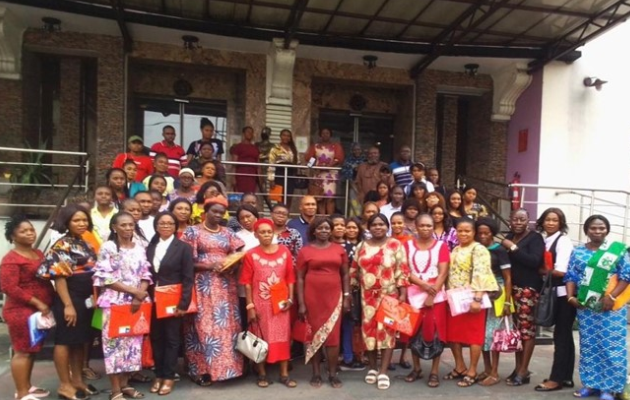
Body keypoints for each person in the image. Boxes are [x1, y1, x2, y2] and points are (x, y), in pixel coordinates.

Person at [36, 204, 99, 400]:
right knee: (64, 341)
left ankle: (77, 380)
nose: (82, 223)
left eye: (84, 219)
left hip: (86, 298)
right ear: (67, 222)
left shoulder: (84, 242)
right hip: (70, 298)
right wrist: (68, 305)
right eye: (76, 220)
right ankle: (65, 385)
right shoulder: (62, 245)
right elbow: (59, 277)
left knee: (79, 341)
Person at [181, 196, 245, 386]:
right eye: (214, 211)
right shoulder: (193, 231)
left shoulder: (227, 232)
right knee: (203, 327)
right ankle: (200, 371)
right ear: (205, 211)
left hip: (226, 287)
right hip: (203, 285)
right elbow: (186, 262)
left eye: (221, 212)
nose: (218, 215)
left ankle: (229, 369)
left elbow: (240, 252)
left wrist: (232, 264)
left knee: (227, 327)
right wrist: (210, 265)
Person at [565, 215, 630, 400]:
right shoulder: (578, 252)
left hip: (611, 307)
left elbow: (627, 275)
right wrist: (570, 297)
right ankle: (591, 384)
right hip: (586, 308)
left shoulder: (617, 251)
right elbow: (570, 276)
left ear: (607, 230)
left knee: (611, 346)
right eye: (593, 228)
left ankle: (610, 388)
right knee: (589, 346)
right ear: (586, 230)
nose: (598, 231)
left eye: (601, 228)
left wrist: (611, 296)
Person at [93, 212, 152, 400]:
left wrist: (140, 294)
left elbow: (146, 273)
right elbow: (105, 278)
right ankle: (115, 390)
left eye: (131, 225)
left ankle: (126, 385)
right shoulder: (109, 247)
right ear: (114, 227)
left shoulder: (140, 247)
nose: (128, 228)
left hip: (137, 303)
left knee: (133, 346)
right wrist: (133, 292)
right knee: (113, 346)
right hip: (114, 302)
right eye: (124, 225)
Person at [351, 213, 409, 390]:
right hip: (366, 297)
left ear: (387, 226)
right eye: (374, 224)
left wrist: (402, 293)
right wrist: (349, 293)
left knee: (387, 333)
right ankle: (372, 368)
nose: (378, 227)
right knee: (368, 332)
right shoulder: (361, 246)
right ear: (368, 227)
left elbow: (402, 270)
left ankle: (383, 372)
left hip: (389, 295)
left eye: (382, 224)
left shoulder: (395, 245)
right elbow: (354, 270)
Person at [1, 215, 55, 400]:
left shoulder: (38, 253)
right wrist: (37, 301)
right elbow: (9, 287)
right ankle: (21, 393)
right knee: (22, 351)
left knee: (32, 350)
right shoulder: (11, 259)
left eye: (31, 229)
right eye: (23, 231)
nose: (30, 233)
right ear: (13, 236)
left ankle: (27, 386)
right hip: (20, 311)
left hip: (38, 312)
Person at [240, 219, 297, 388]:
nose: (266, 235)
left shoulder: (285, 252)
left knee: (283, 336)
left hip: (280, 303)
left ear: (273, 233)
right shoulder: (251, 254)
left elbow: (290, 278)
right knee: (261, 337)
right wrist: (250, 306)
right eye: (262, 232)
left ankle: (284, 374)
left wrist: (290, 299)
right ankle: (262, 374)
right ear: (256, 235)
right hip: (260, 303)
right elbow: (247, 282)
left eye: (269, 232)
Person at [443, 218, 498, 388]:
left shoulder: (479, 249)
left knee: (474, 336)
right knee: (454, 334)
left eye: (467, 230)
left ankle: (472, 370)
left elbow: (482, 273)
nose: (463, 233)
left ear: (473, 232)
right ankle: (460, 366)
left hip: (473, 299)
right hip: (455, 298)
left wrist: (478, 298)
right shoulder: (456, 248)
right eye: (460, 230)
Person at [297, 217, 351, 389]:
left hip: (334, 296)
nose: (324, 231)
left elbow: (345, 274)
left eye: (327, 228)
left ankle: (333, 373)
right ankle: (316, 373)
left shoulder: (339, 249)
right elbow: (299, 278)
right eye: (320, 228)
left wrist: (347, 295)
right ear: (313, 231)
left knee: (333, 336)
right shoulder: (305, 251)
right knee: (314, 335)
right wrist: (301, 303)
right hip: (312, 297)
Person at [146, 211, 195, 396]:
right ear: (156, 226)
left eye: (170, 223)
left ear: (175, 226)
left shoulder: (183, 247)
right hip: (153, 299)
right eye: (162, 223)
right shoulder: (150, 247)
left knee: (172, 339)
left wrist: (183, 304)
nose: (166, 226)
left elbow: (188, 278)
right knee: (156, 338)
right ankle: (158, 374)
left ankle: (168, 376)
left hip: (173, 301)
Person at [403, 214, 449, 388]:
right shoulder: (407, 246)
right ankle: (416, 368)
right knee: (413, 332)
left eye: (429, 226)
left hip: (435, 297)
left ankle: (435, 371)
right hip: (414, 294)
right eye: (422, 225)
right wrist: (423, 284)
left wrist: (432, 294)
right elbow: (404, 270)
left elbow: (443, 272)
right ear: (416, 226)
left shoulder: (441, 246)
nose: (425, 229)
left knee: (435, 333)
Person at [499, 208, 544, 386]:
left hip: (528, 290)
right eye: (515, 219)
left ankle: (524, 370)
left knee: (527, 331)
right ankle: (518, 369)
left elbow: (534, 261)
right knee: (517, 331)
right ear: (510, 220)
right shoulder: (510, 235)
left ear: (528, 221)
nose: (518, 223)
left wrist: (513, 247)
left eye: (522, 220)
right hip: (512, 289)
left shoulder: (535, 238)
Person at [534, 207, 576, 392]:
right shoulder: (545, 239)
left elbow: (561, 271)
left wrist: (539, 271)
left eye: (555, 220)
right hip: (556, 292)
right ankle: (566, 376)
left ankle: (555, 379)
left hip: (563, 295)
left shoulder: (563, 241)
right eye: (547, 219)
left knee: (561, 336)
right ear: (542, 222)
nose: (550, 223)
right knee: (565, 336)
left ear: (561, 223)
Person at [475, 217, 512, 387]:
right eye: (480, 232)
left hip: (498, 294)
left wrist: (507, 302)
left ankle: (495, 372)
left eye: (486, 232)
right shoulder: (476, 249)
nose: (483, 235)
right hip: (480, 294)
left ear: (492, 233)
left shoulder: (499, 250)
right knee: (481, 335)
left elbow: (508, 277)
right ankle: (487, 369)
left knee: (493, 335)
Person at [304, 127, 345, 215]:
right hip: (319, 175)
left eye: (327, 133)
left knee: (330, 197)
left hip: (331, 175)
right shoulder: (315, 146)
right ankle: (322, 217)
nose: (325, 135)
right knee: (320, 198)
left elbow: (339, 158)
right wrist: (313, 166)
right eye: (323, 133)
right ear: (320, 135)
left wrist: (328, 166)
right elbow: (309, 159)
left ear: (330, 135)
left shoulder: (335, 146)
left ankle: (330, 217)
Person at [268, 129, 299, 209]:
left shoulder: (293, 149)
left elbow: (298, 161)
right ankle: (281, 213)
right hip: (280, 173)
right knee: (280, 197)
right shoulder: (275, 148)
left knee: (289, 197)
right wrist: (271, 179)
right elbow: (271, 164)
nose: (286, 137)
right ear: (280, 136)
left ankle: (287, 214)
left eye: (288, 136)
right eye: (284, 135)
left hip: (290, 174)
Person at [230, 126, 260, 193]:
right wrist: (233, 177)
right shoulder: (238, 147)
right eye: (248, 132)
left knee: (251, 193)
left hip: (252, 175)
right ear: (243, 134)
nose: (250, 134)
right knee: (241, 194)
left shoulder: (255, 148)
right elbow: (234, 164)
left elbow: (258, 164)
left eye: (251, 132)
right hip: (241, 174)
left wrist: (260, 178)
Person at [341, 143, 366, 218]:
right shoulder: (348, 161)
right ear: (352, 151)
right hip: (353, 186)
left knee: (364, 205)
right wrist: (356, 190)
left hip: (364, 187)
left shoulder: (365, 160)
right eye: (355, 150)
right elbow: (347, 175)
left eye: (358, 149)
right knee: (354, 205)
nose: (357, 151)